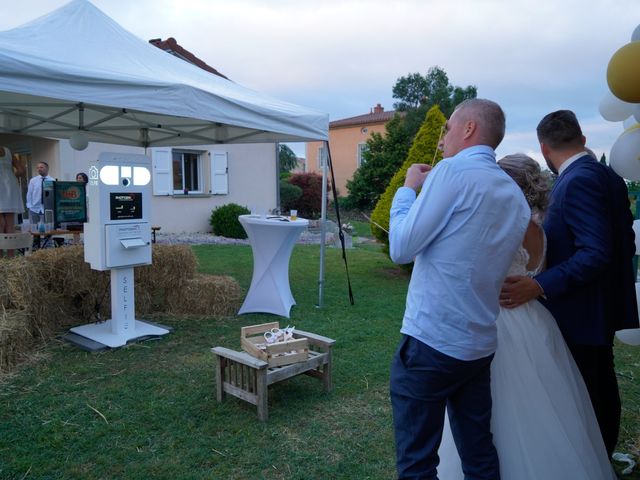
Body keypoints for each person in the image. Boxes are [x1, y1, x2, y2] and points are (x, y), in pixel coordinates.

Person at [437, 154, 617, 479]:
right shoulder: (539, 228)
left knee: (490, 405)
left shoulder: (500, 222)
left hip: (498, 319)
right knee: (547, 405)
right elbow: (539, 270)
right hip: (536, 321)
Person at [388, 98, 530, 479]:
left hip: (432, 340)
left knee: (417, 462)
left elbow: (401, 247)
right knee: (479, 450)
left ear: (468, 129)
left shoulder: (451, 173)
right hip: (479, 344)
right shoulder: (515, 196)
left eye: (448, 129)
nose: (441, 140)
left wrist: (407, 191)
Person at [500, 110, 639, 457]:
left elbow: (595, 252)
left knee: (590, 389)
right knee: (597, 384)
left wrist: (539, 284)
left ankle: (592, 458)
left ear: (543, 148)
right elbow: (625, 243)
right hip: (597, 304)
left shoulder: (577, 180)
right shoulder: (607, 176)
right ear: (583, 138)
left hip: (582, 308)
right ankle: (594, 455)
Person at [0, 146, 25, 257]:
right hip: (10, 186)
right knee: (10, 225)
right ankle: (11, 257)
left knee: (1, 225)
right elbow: (21, 171)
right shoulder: (8, 151)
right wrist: (10, 176)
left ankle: (1, 259)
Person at [25, 161, 54, 226]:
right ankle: (36, 236)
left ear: (47, 168)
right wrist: (29, 205)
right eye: (38, 168)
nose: (39, 169)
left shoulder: (52, 180)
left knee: (48, 227)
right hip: (34, 208)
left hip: (47, 209)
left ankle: (48, 236)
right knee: (35, 228)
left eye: (41, 167)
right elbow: (29, 193)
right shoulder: (33, 180)